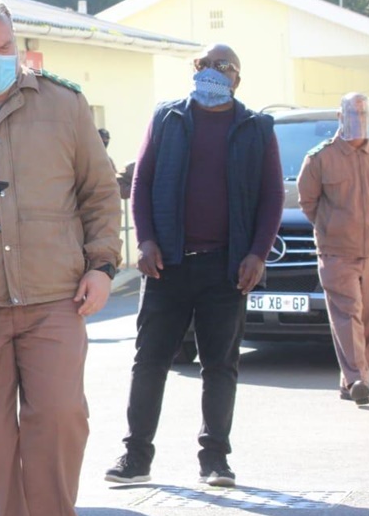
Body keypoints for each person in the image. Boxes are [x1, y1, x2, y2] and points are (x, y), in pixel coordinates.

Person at [0, 0, 121, 516]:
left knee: (60, 418)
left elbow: (100, 192)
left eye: (5, 48)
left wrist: (102, 266)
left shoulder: (63, 104)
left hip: (56, 294)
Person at [105, 44, 284, 489]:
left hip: (226, 268)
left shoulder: (256, 128)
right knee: (149, 361)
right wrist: (144, 240)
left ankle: (215, 460)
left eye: (221, 67)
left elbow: (271, 196)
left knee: (220, 366)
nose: (210, 73)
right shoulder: (167, 118)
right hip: (167, 265)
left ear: (237, 79)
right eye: (202, 66)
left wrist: (257, 253)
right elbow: (142, 182)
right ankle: (135, 456)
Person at [298, 92, 369, 406]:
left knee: (367, 318)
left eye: (363, 113)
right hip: (336, 252)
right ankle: (358, 379)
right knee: (347, 314)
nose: (358, 119)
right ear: (340, 118)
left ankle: (352, 380)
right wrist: (331, 230)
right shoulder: (320, 157)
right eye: (352, 113)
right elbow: (307, 202)